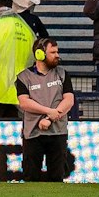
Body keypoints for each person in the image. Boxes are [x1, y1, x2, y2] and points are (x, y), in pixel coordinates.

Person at [15, 39, 74, 181]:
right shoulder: (24, 76)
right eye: (53, 52)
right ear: (39, 54)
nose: (57, 55)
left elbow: (69, 100)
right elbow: (24, 103)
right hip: (33, 133)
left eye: (57, 52)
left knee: (57, 178)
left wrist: (49, 118)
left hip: (58, 132)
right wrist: (49, 111)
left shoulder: (62, 74)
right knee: (31, 177)